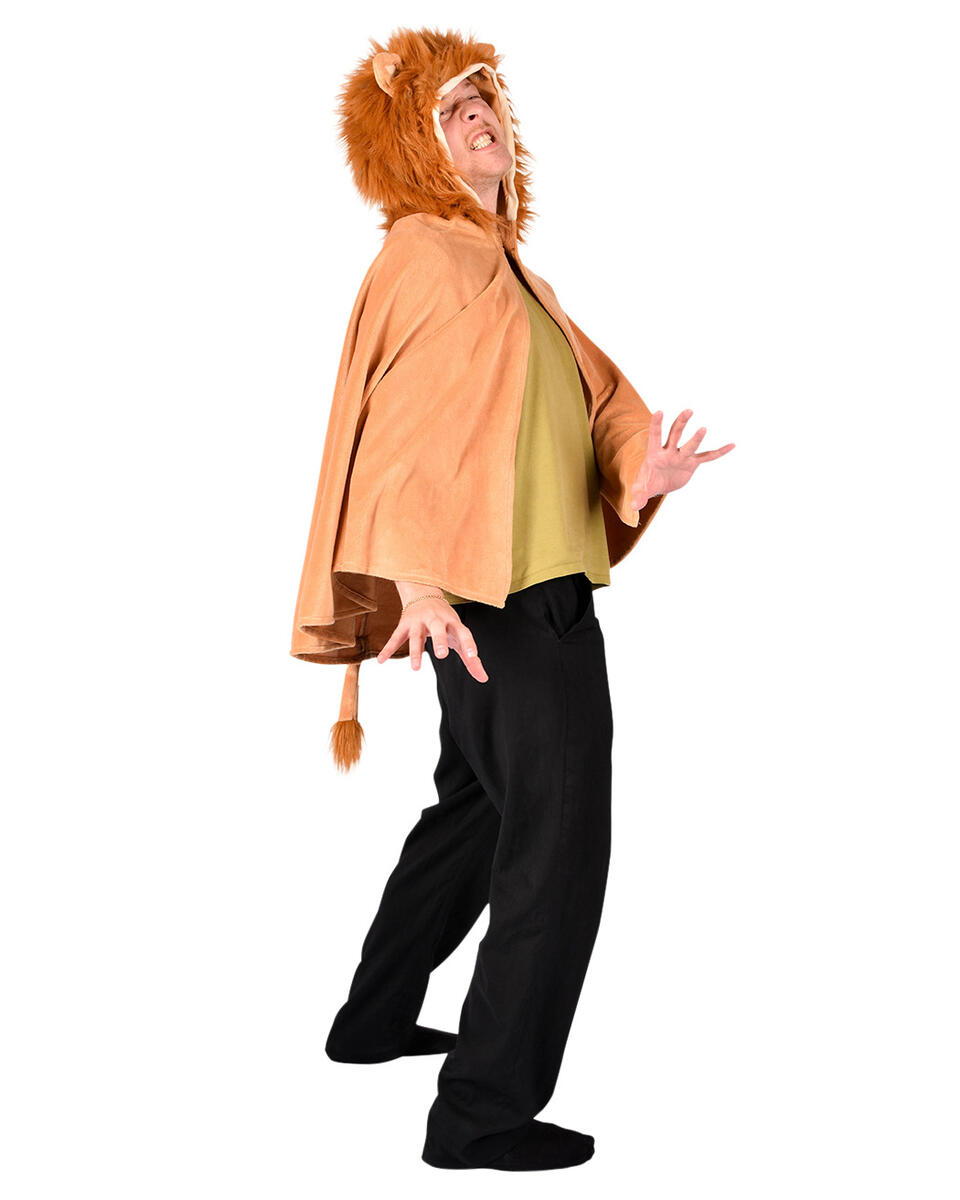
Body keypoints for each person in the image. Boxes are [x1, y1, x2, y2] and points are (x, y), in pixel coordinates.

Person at [290, 27, 735, 1172]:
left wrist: (639, 469)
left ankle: (372, 1020)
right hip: (501, 603)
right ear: (411, 147)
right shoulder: (427, 257)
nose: (478, 113)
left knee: (477, 816)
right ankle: (480, 1114)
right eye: (448, 110)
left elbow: (589, 410)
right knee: (558, 843)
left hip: (507, 595)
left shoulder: (509, 276)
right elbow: (394, 433)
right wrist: (415, 579)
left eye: (484, 98)